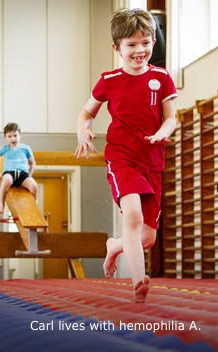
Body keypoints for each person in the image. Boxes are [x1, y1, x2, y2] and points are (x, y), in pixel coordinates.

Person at [75, 8, 177, 303]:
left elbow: (171, 117)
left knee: (147, 238)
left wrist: (164, 130)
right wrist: (83, 130)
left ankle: (114, 246)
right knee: (131, 215)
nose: (140, 50)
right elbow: (86, 112)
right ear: (117, 48)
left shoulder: (162, 78)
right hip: (122, 157)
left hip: (153, 160)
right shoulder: (109, 79)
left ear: (153, 42)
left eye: (145, 42)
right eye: (131, 45)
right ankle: (138, 283)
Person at [0, 122, 38, 216]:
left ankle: (34, 206)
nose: (13, 138)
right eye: (9, 136)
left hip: (23, 174)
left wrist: (30, 175)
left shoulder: (25, 148)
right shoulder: (4, 148)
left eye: (15, 135)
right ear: (5, 137)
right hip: (9, 172)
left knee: (34, 186)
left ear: (20, 135)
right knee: (6, 181)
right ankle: (1, 204)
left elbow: (32, 163)